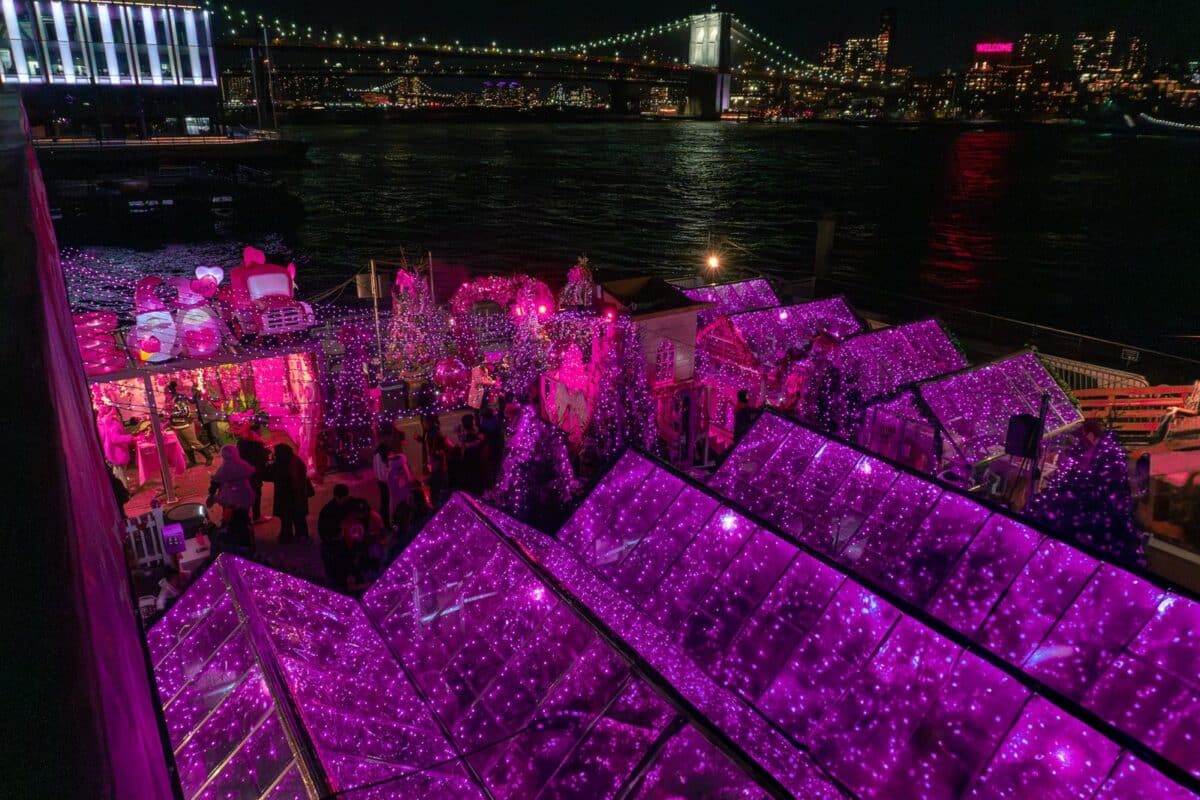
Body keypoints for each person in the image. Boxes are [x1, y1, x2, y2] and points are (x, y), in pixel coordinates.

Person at [269, 443, 311, 543]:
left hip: (287, 495)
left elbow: (271, 475)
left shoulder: (281, 463)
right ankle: (301, 535)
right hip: (296, 495)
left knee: (287, 518)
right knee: (298, 517)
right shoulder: (295, 460)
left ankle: (287, 536)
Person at [167, 382, 210, 467]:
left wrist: (170, 414)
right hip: (177, 425)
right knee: (185, 445)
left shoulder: (179, 398)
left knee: (193, 442)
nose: (166, 393)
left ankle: (209, 457)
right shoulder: (172, 399)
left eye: (167, 391)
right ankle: (192, 462)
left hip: (186, 423)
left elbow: (185, 412)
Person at [318, 484, 352, 587]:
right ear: (337, 497)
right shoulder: (328, 512)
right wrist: (336, 537)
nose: (346, 501)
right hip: (334, 544)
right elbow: (323, 533)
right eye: (344, 499)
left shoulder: (349, 505)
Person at [209, 445, 256, 518]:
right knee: (244, 512)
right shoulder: (242, 464)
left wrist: (212, 492)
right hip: (243, 491)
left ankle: (232, 524)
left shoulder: (223, 468)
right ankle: (246, 524)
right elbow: (250, 471)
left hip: (229, 494)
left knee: (230, 514)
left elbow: (216, 479)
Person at [237, 422, 271, 523]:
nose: (261, 432)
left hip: (243, 472)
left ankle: (246, 518)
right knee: (256, 493)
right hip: (254, 473)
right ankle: (256, 516)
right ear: (256, 431)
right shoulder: (256, 443)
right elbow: (260, 458)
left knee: (245, 494)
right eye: (259, 430)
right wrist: (267, 452)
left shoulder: (241, 441)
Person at [386, 433, 415, 536]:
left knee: (397, 518)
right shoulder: (400, 471)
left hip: (396, 501)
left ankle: (397, 530)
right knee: (403, 518)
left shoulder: (390, 471)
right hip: (402, 500)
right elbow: (409, 481)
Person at [456, 413, 485, 494]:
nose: (475, 421)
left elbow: (462, 443)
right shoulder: (472, 435)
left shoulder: (468, 435)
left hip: (468, 461)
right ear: (471, 423)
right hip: (474, 461)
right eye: (474, 420)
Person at [372, 434, 392, 523]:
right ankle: (385, 521)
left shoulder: (376, 455)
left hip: (380, 481)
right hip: (384, 482)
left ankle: (382, 519)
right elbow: (384, 471)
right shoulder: (382, 455)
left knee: (384, 500)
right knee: (386, 501)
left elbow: (376, 470)